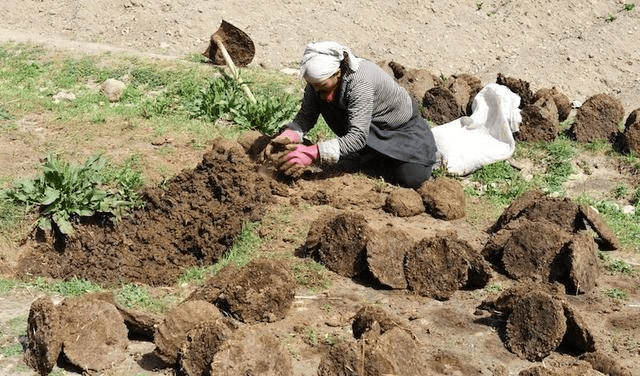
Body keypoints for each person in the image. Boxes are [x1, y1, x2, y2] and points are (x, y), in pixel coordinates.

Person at [271, 41, 438, 189]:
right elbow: (306, 117)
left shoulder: (360, 82)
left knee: (412, 178)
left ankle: (375, 157)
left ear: (338, 73)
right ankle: (369, 155)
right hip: (366, 126)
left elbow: (357, 136)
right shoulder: (319, 84)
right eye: (312, 86)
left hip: (399, 131)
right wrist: (289, 134)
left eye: (322, 86)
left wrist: (313, 153)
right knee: (322, 98)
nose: (316, 91)